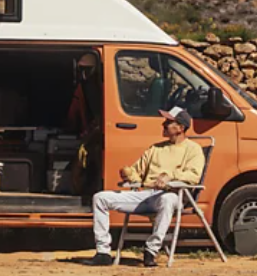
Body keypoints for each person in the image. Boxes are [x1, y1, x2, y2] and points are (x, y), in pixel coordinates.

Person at [86, 108, 204, 268]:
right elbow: (136, 171)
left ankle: (151, 250)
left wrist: (170, 176)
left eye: (169, 122)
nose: (164, 124)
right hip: (147, 195)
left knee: (167, 199)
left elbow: (194, 176)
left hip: (173, 195)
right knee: (100, 198)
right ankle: (103, 252)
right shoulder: (155, 149)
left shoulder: (193, 150)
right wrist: (129, 174)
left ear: (180, 128)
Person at [67, 52, 103, 194]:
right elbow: (74, 112)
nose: (84, 73)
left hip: (96, 133)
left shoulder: (96, 86)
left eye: (87, 69)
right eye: (81, 69)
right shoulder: (85, 87)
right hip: (91, 132)